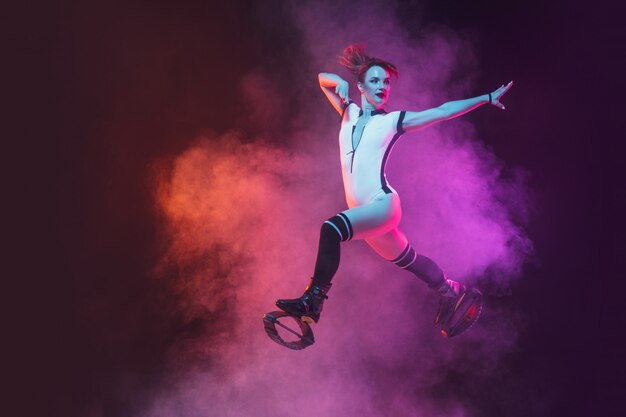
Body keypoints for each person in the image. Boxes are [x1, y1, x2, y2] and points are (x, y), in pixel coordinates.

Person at [276, 44, 512, 336]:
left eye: (386, 82)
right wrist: (336, 82)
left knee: (331, 229)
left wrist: (486, 98)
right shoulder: (347, 112)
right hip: (366, 214)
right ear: (360, 87)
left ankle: (312, 301)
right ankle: (449, 288)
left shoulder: (392, 121)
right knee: (409, 260)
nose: (383, 87)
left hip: (382, 205)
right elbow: (322, 78)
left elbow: (442, 112)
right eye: (375, 81)